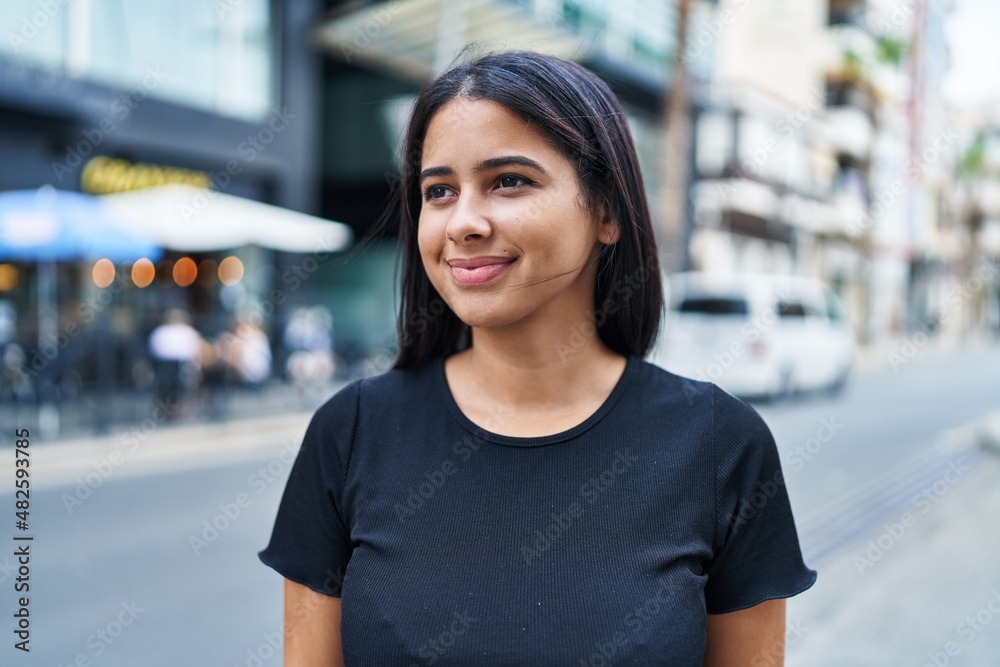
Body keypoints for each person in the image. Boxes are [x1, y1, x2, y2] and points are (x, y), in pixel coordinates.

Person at [260, 51, 816, 666]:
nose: (463, 222)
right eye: (439, 190)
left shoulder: (720, 445)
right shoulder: (351, 434)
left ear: (605, 211)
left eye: (509, 181)